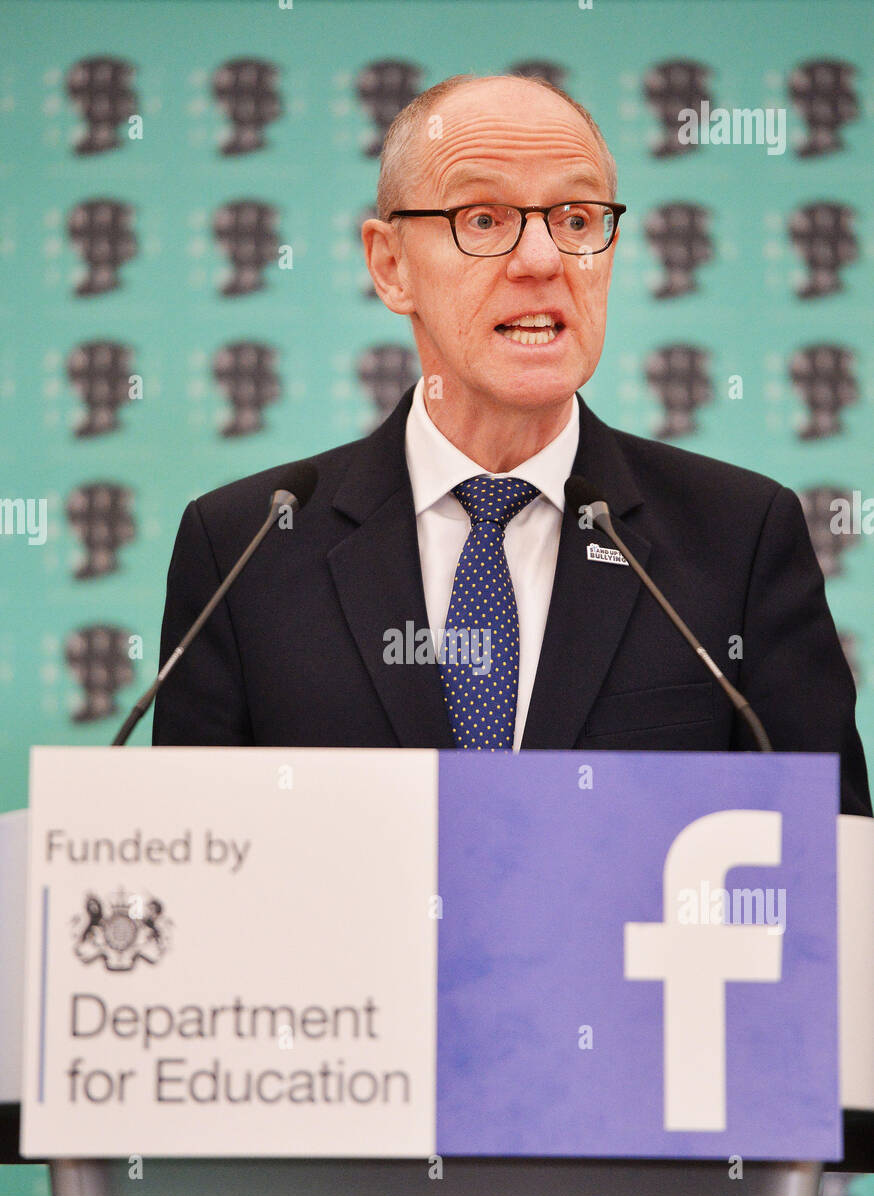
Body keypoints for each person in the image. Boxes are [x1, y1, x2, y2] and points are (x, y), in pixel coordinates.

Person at [152, 73, 870, 816]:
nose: (542, 260)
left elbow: (828, 872)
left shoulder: (740, 538)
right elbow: (189, 870)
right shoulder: (247, 547)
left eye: (577, 218)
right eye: (484, 219)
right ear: (390, 265)